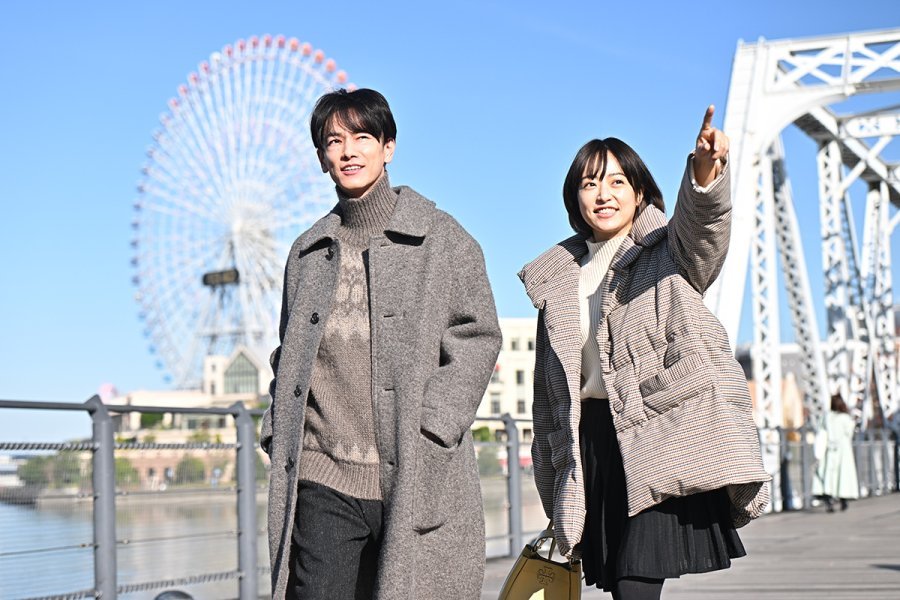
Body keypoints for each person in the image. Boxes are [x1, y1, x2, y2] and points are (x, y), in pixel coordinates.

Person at [518, 106, 770, 600]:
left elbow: (704, 230)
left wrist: (704, 173)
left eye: (616, 182)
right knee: (617, 583)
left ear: (638, 192)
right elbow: (548, 397)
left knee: (635, 585)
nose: (603, 194)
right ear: (575, 198)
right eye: (589, 184)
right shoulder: (555, 279)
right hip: (592, 443)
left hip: (659, 435)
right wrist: (552, 473)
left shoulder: (666, 251)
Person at [260, 88, 502, 600]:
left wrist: (433, 428)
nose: (348, 151)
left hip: (414, 471)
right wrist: (273, 427)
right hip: (322, 476)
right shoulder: (306, 253)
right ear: (323, 159)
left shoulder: (442, 239)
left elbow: (477, 336)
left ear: (388, 147)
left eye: (363, 137)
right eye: (334, 141)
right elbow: (289, 354)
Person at [813, 394, 859, 512]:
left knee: (828, 475)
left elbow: (821, 432)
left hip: (829, 449)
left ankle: (829, 501)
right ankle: (843, 500)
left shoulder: (826, 417)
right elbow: (849, 433)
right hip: (843, 450)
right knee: (842, 475)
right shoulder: (845, 418)